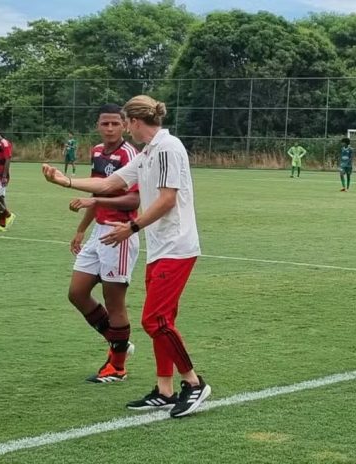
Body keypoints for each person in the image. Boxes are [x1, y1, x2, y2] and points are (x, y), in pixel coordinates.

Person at [42, 95, 211, 418]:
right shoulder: (149, 152)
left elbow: (167, 200)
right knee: (162, 321)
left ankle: (193, 383)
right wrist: (65, 181)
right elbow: (109, 183)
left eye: (123, 122)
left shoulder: (167, 148)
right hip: (161, 247)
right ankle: (165, 390)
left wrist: (131, 227)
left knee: (155, 320)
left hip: (177, 247)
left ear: (133, 122)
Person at [67, 104, 140, 384]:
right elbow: (97, 190)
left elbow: (134, 200)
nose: (109, 128)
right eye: (104, 124)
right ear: (98, 125)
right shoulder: (97, 151)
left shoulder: (130, 154)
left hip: (120, 233)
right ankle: (118, 342)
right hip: (99, 232)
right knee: (77, 293)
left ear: (124, 125)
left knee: (114, 301)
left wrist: (96, 201)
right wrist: (81, 229)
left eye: (114, 124)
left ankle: (117, 367)